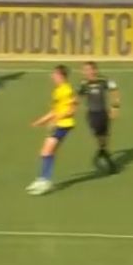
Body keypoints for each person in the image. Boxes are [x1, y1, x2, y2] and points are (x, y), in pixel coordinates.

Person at [27, 65, 76, 196]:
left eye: (54, 74)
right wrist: (40, 121)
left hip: (64, 125)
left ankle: (45, 181)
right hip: (58, 124)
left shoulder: (67, 90)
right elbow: (54, 111)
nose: (52, 76)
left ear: (61, 76)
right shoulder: (57, 91)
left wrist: (55, 120)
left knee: (47, 151)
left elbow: (71, 110)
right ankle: (43, 179)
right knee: (46, 152)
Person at [79, 61, 121, 174]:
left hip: (103, 112)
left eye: (88, 69)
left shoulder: (104, 80)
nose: (86, 72)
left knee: (104, 134)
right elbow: (78, 96)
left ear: (95, 70)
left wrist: (115, 107)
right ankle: (103, 152)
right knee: (98, 133)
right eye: (84, 70)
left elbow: (115, 91)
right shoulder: (84, 83)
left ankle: (103, 152)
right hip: (92, 113)